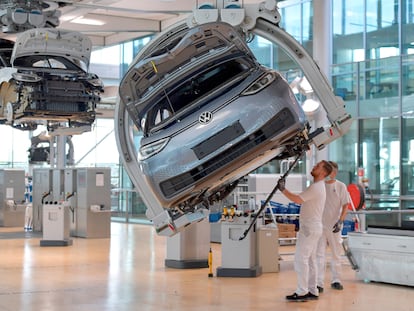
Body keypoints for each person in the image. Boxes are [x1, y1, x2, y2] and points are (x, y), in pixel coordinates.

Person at [277, 160, 333, 301]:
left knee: (300, 259)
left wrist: (283, 189)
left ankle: (302, 291)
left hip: (309, 228)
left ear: (323, 172)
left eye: (318, 166)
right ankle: (312, 290)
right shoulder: (317, 186)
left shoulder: (316, 187)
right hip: (313, 228)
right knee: (310, 260)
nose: (314, 166)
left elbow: (297, 199)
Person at [316, 161, 350, 292]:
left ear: (334, 173)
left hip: (335, 224)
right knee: (319, 254)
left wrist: (341, 221)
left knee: (336, 253)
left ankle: (336, 280)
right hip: (320, 225)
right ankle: (319, 283)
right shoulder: (319, 186)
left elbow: (345, 205)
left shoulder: (341, 186)